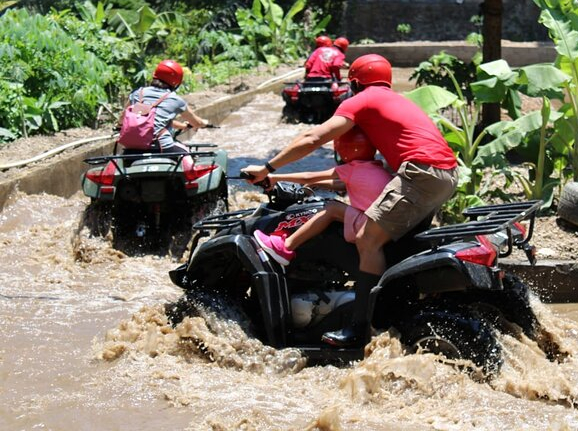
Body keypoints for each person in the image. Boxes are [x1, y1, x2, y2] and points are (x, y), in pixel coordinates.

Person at [242, 53, 459, 347]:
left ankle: (360, 329)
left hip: (419, 173)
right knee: (401, 244)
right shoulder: (397, 99)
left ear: (355, 82)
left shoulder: (361, 100)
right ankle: (396, 308)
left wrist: (268, 168)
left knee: (367, 239)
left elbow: (312, 138)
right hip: (446, 173)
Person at [253, 126, 392, 266]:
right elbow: (346, 185)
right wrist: (319, 184)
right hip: (385, 224)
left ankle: (285, 247)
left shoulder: (353, 168)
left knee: (331, 207)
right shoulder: (377, 167)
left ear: (342, 150)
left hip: (370, 226)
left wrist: (273, 178)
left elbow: (308, 176)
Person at [120, 59, 208, 154]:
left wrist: (118, 126)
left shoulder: (137, 93)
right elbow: (196, 123)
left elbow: (125, 119)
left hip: (132, 149)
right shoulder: (175, 100)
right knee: (188, 156)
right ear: (176, 82)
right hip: (162, 148)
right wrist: (204, 122)